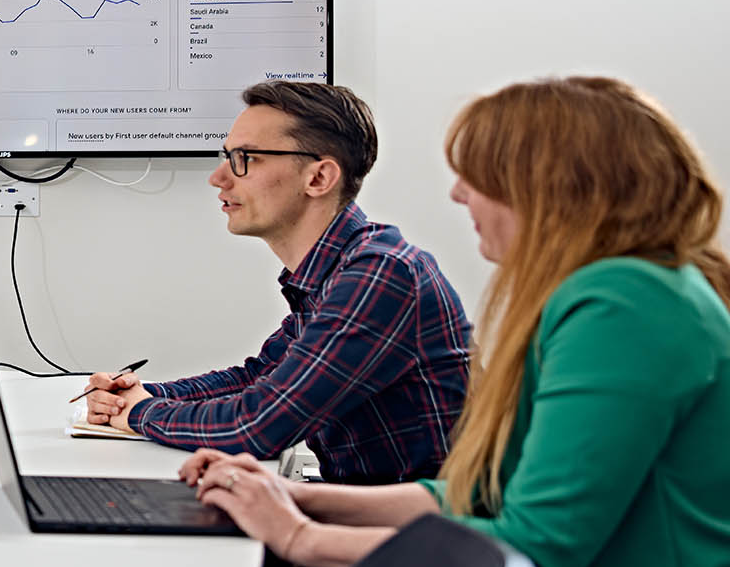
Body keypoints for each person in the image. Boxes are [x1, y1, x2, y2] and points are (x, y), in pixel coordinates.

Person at [186, 77, 730, 567]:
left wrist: (299, 538)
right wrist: (306, 500)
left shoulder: (624, 306)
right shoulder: (617, 292)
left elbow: (532, 547)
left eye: (478, 176)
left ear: (556, 184)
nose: (457, 194)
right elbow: (479, 495)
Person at [81, 81, 471, 486]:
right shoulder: (336, 272)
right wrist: (143, 393)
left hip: (417, 533)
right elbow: (258, 377)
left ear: (319, 178)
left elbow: (258, 426)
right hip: (373, 511)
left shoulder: (381, 273)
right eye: (226, 156)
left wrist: (139, 413)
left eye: (244, 158)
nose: (218, 177)